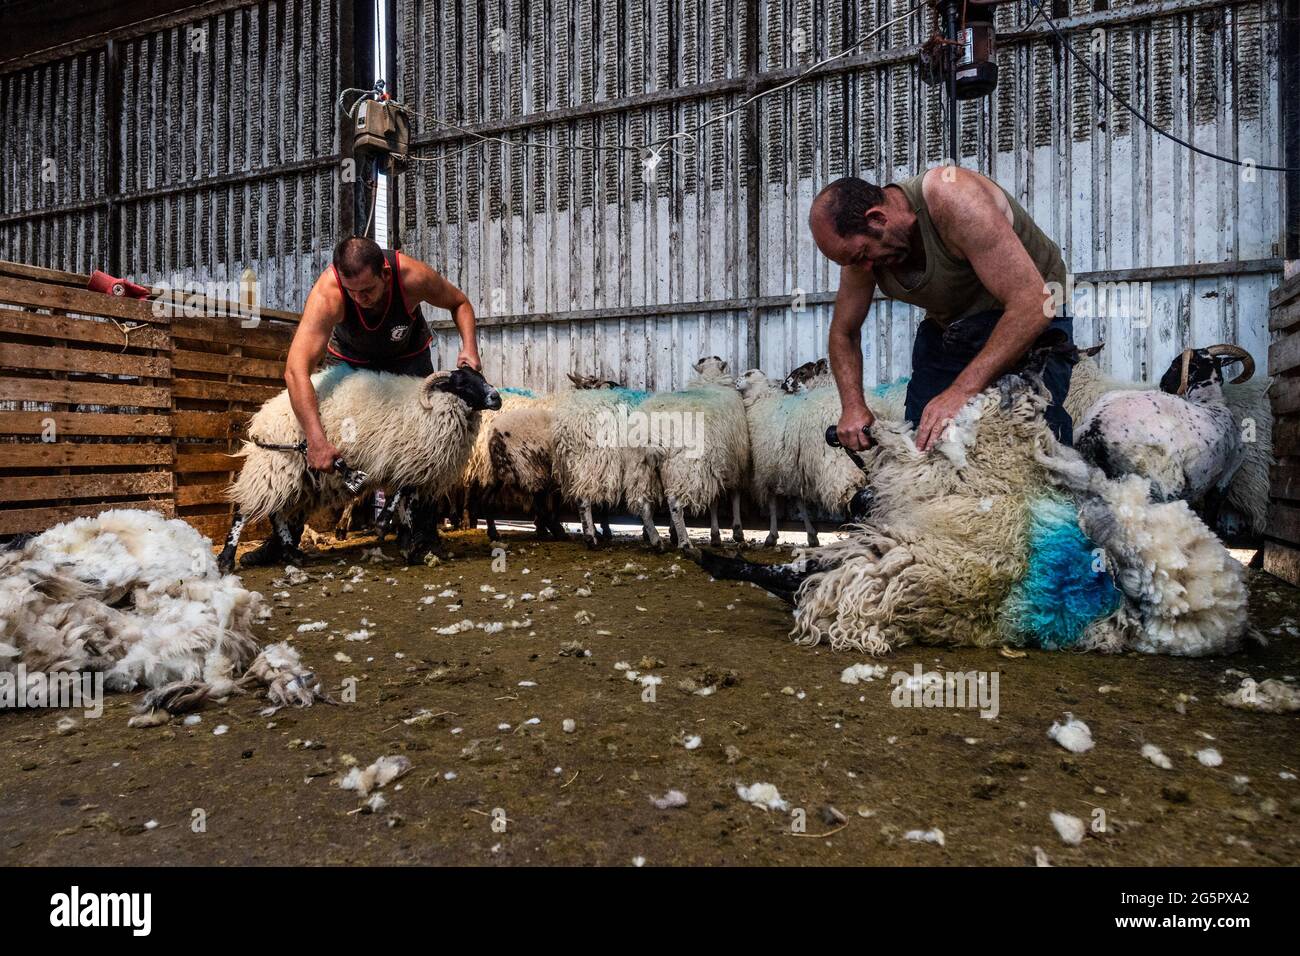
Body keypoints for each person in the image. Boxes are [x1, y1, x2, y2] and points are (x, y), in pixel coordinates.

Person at [241, 235, 482, 566]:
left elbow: (460, 303)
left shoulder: (412, 277)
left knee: (425, 447)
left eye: (367, 290)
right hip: (353, 365)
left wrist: (469, 348)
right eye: (351, 291)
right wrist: (316, 440)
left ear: (385, 273)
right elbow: (296, 371)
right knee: (326, 442)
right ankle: (284, 541)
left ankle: (422, 538)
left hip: (407, 361)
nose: (359, 298)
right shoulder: (329, 294)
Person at [808, 166, 1074, 453]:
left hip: (1029, 320)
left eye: (862, 254)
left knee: (1029, 444)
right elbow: (844, 333)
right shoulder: (862, 254)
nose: (864, 268)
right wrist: (852, 406)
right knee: (925, 446)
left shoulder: (954, 199)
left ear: (877, 218)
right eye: (853, 261)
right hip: (952, 328)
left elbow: (1033, 304)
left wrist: (960, 392)